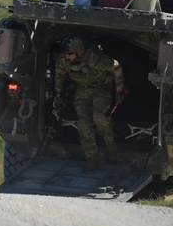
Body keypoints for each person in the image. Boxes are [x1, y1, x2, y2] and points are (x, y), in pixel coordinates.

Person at [53, 35, 127, 172]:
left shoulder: (93, 58)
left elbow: (115, 66)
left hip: (101, 88)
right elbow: (59, 76)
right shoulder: (63, 60)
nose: (67, 57)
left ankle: (111, 147)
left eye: (70, 54)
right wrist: (58, 95)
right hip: (81, 89)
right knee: (83, 124)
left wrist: (119, 90)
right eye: (66, 54)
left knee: (99, 117)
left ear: (79, 52)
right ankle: (93, 159)